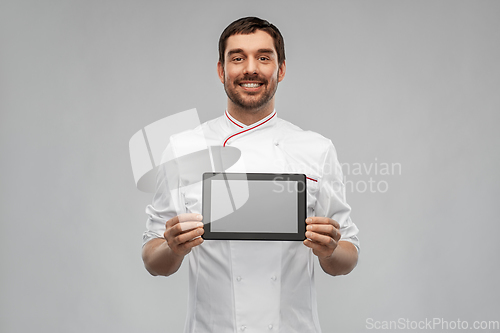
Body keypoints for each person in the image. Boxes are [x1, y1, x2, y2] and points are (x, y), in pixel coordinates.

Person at [142, 17, 359, 333]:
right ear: (221, 71)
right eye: (238, 57)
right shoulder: (183, 149)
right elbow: (152, 259)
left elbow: (348, 256)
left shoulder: (316, 149)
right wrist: (172, 248)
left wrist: (329, 250)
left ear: (281, 69)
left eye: (264, 57)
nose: (250, 68)